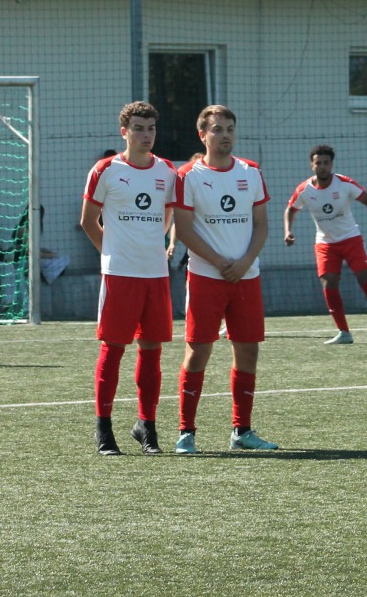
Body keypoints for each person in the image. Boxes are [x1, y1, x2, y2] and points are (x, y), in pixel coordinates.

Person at [171, 105, 277, 454]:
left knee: (248, 351)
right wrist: (219, 262)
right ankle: (186, 432)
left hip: (246, 276)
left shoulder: (251, 171)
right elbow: (184, 229)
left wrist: (244, 262)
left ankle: (241, 431)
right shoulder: (188, 175)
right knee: (198, 351)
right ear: (202, 135)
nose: (225, 135)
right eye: (217, 129)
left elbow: (261, 225)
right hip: (206, 276)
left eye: (230, 128)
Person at [81, 102, 177, 455]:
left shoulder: (167, 171)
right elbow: (88, 221)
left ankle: (146, 425)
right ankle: (103, 429)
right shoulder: (106, 169)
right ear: (124, 132)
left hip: (155, 274)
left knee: (151, 351)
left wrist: (150, 245)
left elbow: (168, 214)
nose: (146, 135)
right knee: (113, 349)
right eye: (138, 128)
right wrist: (112, 251)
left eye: (150, 128)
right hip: (119, 274)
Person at [284, 145, 367, 345]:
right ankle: (344, 332)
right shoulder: (304, 189)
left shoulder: (344, 183)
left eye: (326, 163)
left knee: (364, 276)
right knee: (329, 283)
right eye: (318, 163)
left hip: (351, 239)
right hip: (325, 243)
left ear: (331, 164)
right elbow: (291, 209)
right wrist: (288, 231)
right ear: (312, 165)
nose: (322, 166)